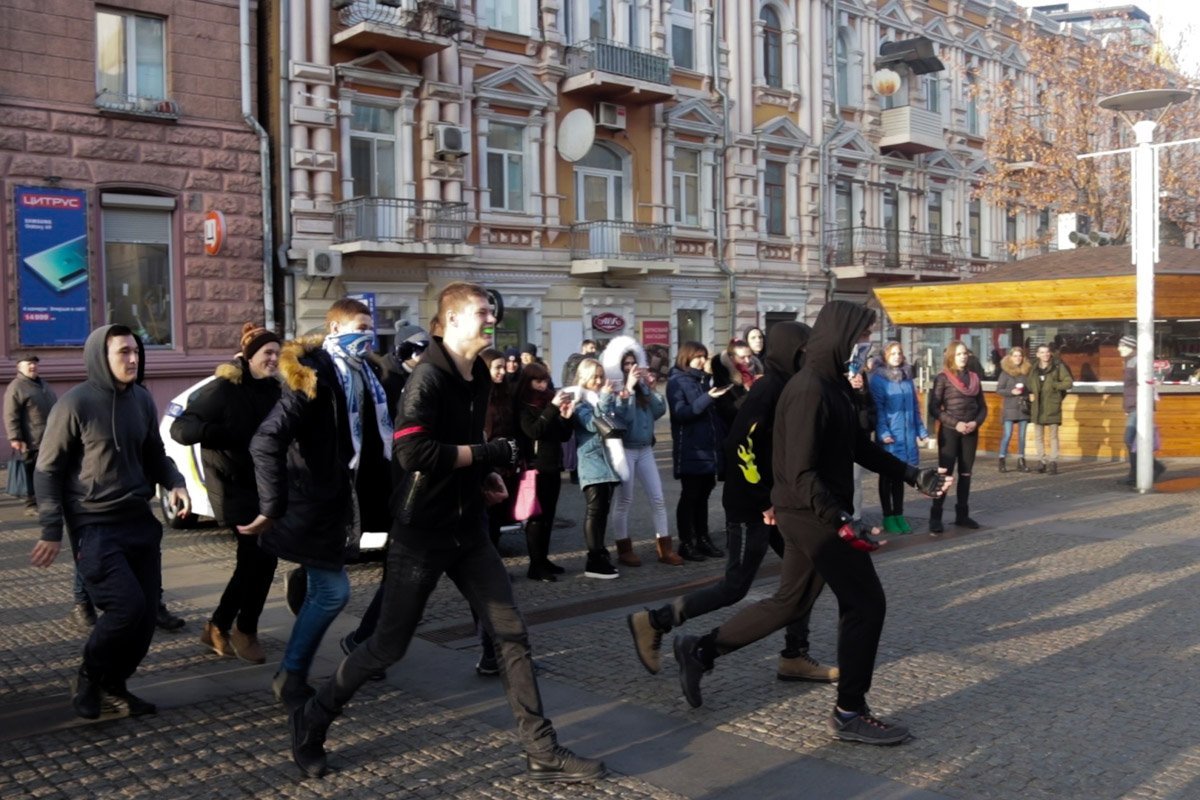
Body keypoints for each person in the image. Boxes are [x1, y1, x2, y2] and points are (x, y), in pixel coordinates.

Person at [288, 281, 606, 783]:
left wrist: (484, 474)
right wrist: (487, 455)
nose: (492, 319)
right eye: (482, 312)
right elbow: (412, 450)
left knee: (511, 634)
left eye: (492, 311)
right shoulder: (428, 377)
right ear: (453, 319)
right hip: (422, 531)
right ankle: (312, 719)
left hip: (469, 529)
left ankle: (541, 749)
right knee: (387, 646)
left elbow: (462, 443)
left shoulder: (476, 374)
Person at [670, 302, 952, 745]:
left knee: (790, 602)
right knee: (866, 604)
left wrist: (914, 475)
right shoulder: (808, 390)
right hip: (811, 515)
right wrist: (840, 519)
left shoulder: (831, 383)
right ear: (839, 335)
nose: (864, 345)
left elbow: (859, 446)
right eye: (861, 337)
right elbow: (799, 471)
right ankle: (849, 712)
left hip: (810, 512)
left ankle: (700, 650)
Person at [628, 322, 837, 682]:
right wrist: (762, 499)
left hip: (780, 503)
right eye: (806, 350)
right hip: (751, 504)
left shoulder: (789, 385)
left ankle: (794, 655)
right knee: (735, 586)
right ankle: (655, 620)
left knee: (806, 575)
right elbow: (738, 445)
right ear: (793, 351)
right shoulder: (769, 388)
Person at [31, 324, 191, 720]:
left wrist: (175, 481)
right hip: (94, 526)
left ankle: (115, 684)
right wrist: (51, 529)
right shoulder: (75, 404)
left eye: (136, 351)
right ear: (100, 358)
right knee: (125, 608)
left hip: (139, 521)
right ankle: (88, 676)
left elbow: (155, 454)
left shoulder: (142, 399)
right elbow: (47, 470)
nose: (133, 359)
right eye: (124, 352)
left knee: (146, 618)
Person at [242, 298, 393, 712]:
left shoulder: (368, 375)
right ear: (335, 330)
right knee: (333, 593)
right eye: (360, 327)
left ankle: (301, 593)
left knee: (328, 587)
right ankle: (290, 676)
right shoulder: (312, 375)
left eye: (371, 327)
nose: (368, 335)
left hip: (341, 505)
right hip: (312, 504)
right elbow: (265, 440)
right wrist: (272, 506)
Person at [168, 322, 282, 664]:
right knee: (258, 558)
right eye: (268, 353)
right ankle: (243, 629)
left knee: (260, 560)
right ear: (250, 356)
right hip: (233, 488)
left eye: (277, 353)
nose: (274, 359)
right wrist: (219, 433)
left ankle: (221, 625)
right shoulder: (223, 388)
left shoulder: (274, 389)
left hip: (264, 487)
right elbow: (180, 428)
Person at [600, 336, 680, 567]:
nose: (630, 368)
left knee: (658, 498)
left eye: (633, 363)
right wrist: (629, 389)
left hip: (645, 449)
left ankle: (664, 549)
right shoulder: (615, 388)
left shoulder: (642, 386)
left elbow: (658, 411)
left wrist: (652, 389)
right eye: (625, 364)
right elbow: (622, 418)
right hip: (625, 449)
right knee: (625, 501)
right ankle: (624, 549)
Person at [667, 342, 730, 562]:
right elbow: (681, 414)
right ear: (686, 358)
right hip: (691, 448)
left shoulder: (703, 380)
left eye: (704, 356)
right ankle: (686, 542)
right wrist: (708, 398)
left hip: (709, 449)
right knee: (690, 496)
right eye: (698, 357)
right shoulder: (676, 382)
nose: (703, 361)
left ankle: (703, 538)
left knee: (703, 495)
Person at [515, 362, 575, 581]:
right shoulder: (524, 405)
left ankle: (543, 559)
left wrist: (567, 417)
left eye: (545, 381)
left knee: (549, 515)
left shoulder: (549, 401)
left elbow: (563, 436)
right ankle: (535, 565)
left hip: (553, 466)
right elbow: (533, 431)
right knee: (537, 518)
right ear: (528, 382)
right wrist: (552, 408)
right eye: (538, 381)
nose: (542, 385)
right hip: (536, 467)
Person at [571, 357, 623, 578]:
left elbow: (615, 420)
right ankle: (594, 559)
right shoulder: (579, 401)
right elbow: (593, 425)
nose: (599, 381)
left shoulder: (599, 398)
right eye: (595, 377)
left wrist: (619, 398)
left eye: (601, 376)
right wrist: (605, 398)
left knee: (602, 513)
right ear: (584, 377)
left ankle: (600, 553)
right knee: (595, 512)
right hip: (592, 462)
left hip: (608, 462)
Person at [928, 340, 987, 533]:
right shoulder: (943, 378)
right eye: (959, 354)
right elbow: (934, 408)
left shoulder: (974, 378)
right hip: (950, 431)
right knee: (945, 474)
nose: (963, 357)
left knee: (965, 474)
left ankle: (962, 515)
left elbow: (983, 407)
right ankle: (935, 517)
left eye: (965, 353)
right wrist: (956, 423)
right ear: (951, 356)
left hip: (970, 431)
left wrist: (975, 422)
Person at [869, 341, 928, 534]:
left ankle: (899, 514)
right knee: (887, 476)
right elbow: (878, 409)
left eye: (899, 353)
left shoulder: (907, 377)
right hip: (890, 436)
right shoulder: (879, 379)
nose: (897, 356)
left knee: (901, 475)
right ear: (885, 356)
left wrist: (921, 431)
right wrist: (883, 432)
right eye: (893, 353)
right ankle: (888, 516)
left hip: (907, 435)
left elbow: (914, 407)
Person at [5, 353, 56, 517]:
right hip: (30, 439)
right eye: (29, 364)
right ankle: (31, 504)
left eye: (35, 363)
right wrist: (15, 438)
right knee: (31, 472)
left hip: (48, 437)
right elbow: (10, 414)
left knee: (46, 470)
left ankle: (46, 500)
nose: (33, 366)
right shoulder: (16, 387)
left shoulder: (42, 384)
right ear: (19, 367)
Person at [482, 347, 519, 548]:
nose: (503, 372)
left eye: (503, 367)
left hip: (506, 462)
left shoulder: (506, 394)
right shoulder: (480, 395)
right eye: (497, 367)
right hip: (487, 460)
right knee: (487, 516)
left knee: (498, 515)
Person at [1117, 335, 1166, 486]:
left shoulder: (1138, 361)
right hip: (1135, 406)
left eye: (1122, 345)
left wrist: (1143, 406)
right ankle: (1140, 471)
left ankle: (1146, 470)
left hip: (1140, 406)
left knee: (1130, 439)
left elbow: (1146, 383)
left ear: (1130, 347)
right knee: (1133, 441)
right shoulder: (1130, 361)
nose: (1119, 348)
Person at [1027, 344, 1074, 474]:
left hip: (1052, 405)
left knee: (1053, 436)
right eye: (1042, 352)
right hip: (1038, 406)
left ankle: (1053, 462)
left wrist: (1054, 385)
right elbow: (1029, 384)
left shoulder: (1058, 366)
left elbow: (1068, 382)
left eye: (1047, 352)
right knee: (1038, 436)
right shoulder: (1033, 368)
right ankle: (1041, 461)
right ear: (1037, 354)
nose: (1045, 354)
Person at [994, 345, 1032, 473]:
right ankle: (1002, 460)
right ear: (1010, 357)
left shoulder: (1026, 372)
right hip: (1010, 407)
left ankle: (1021, 461)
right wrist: (1012, 391)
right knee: (1007, 435)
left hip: (1023, 407)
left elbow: (1031, 388)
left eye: (1020, 356)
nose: (1018, 358)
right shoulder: (1005, 373)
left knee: (1022, 436)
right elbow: (999, 390)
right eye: (1015, 356)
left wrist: (1027, 390)